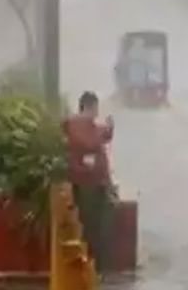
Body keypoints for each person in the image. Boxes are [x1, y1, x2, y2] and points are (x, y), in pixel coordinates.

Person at [63, 91, 115, 272]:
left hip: (96, 183)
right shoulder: (77, 124)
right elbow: (89, 142)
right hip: (88, 184)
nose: (97, 112)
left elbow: (100, 136)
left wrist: (108, 129)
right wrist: (105, 131)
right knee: (92, 225)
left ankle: (95, 263)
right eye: (95, 108)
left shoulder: (88, 126)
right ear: (88, 106)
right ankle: (92, 265)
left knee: (96, 225)